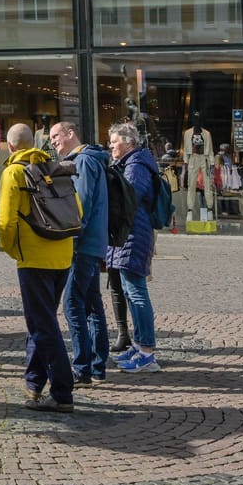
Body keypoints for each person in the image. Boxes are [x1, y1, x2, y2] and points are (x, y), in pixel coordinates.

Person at [0, 122, 76, 413]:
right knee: (42, 321)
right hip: (63, 255)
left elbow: (5, 221)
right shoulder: (56, 169)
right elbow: (75, 210)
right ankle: (33, 382)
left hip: (33, 258)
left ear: (12, 146)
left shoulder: (14, 172)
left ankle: (63, 391)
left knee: (43, 326)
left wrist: (12, 249)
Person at [49, 120, 112, 384]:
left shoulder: (84, 161)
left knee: (72, 304)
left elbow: (80, 205)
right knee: (91, 303)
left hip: (83, 244)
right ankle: (97, 366)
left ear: (71, 133)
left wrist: (71, 236)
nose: (53, 142)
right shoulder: (92, 158)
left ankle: (83, 367)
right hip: (93, 242)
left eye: (56, 136)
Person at [104, 122, 161, 372]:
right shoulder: (130, 163)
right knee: (129, 290)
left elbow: (129, 197)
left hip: (133, 234)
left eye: (114, 142)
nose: (111, 146)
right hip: (127, 234)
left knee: (136, 292)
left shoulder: (135, 165)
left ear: (127, 142)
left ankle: (146, 352)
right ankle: (139, 347)